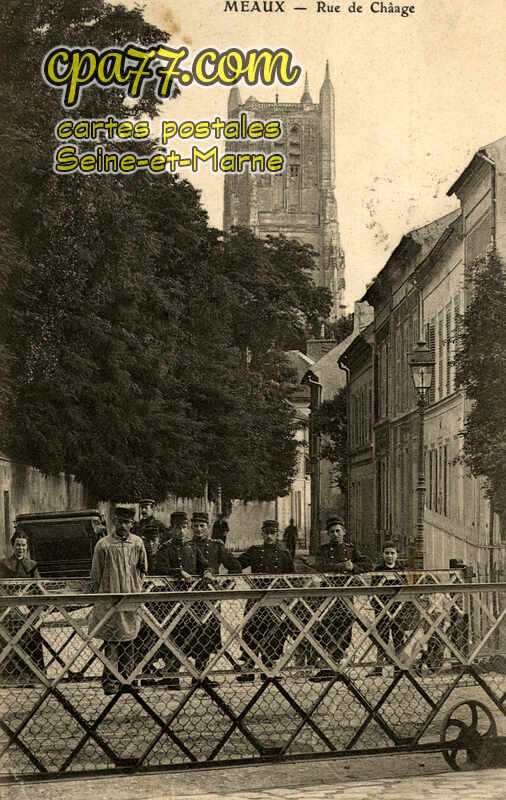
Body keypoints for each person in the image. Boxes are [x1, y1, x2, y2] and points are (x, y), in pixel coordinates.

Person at [89, 505, 147, 695]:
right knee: (112, 643)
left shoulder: (137, 543)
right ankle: (110, 682)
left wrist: (136, 590)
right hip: (110, 600)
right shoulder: (103, 545)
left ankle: (127, 681)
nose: (123, 525)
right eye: (120, 521)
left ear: (132, 524)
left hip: (130, 598)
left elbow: (143, 569)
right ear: (114, 522)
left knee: (128, 641)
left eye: (127, 522)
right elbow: (95, 575)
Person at [155, 511, 212, 689]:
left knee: (199, 636)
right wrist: (178, 572)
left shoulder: (192, 547)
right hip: (173, 602)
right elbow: (159, 568)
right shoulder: (165, 548)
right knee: (175, 638)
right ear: (172, 529)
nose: (182, 531)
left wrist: (207, 571)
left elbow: (205, 564)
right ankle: (173, 677)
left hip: (194, 602)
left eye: (185, 527)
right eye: (178, 527)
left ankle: (200, 676)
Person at [309, 515, 369, 682]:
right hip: (327, 596)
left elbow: (367, 564)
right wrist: (341, 566)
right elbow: (319, 565)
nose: (335, 534)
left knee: (344, 629)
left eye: (338, 531)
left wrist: (354, 567)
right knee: (326, 629)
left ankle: (338, 667)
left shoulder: (351, 550)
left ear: (344, 532)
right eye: (332, 532)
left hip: (345, 596)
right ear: (328, 534)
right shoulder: (323, 550)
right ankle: (327, 667)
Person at [236, 519, 294, 682]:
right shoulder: (254, 551)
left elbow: (291, 576)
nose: (269, 536)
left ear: (277, 535)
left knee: (275, 630)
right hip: (257, 598)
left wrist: (287, 597)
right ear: (262, 534)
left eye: (272, 533)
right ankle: (248, 665)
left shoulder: (284, 553)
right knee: (251, 629)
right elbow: (238, 563)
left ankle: (269, 666)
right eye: (266, 533)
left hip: (276, 599)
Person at [191, 511, 241, 686]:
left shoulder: (216, 546)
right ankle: (177, 675)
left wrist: (227, 584)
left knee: (207, 635)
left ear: (207, 527)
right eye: (195, 526)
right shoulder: (186, 546)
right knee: (186, 634)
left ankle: (200, 674)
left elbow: (235, 567)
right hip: (190, 597)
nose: (198, 529)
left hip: (211, 598)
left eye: (202, 526)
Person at [0, 530, 45, 683]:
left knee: (33, 632)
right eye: (18, 545)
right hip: (8, 612)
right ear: (13, 546)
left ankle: (34, 676)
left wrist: (31, 606)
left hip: (28, 611)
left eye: (23, 545)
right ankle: (9, 677)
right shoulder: (3, 565)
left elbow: (38, 589)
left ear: (26, 547)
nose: (21, 548)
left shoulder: (32, 566)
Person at [369, 541, 408, 676]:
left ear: (396, 555)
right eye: (387, 553)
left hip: (398, 609)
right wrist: (376, 606)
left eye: (392, 553)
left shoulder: (401, 570)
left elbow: (406, 589)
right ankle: (379, 668)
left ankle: (398, 667)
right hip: (382, 608)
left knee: (398, 637)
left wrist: (403, 607)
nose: (389, 556)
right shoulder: (378, 570)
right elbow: (373, 590)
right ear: (382, 554)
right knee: (381, 638)